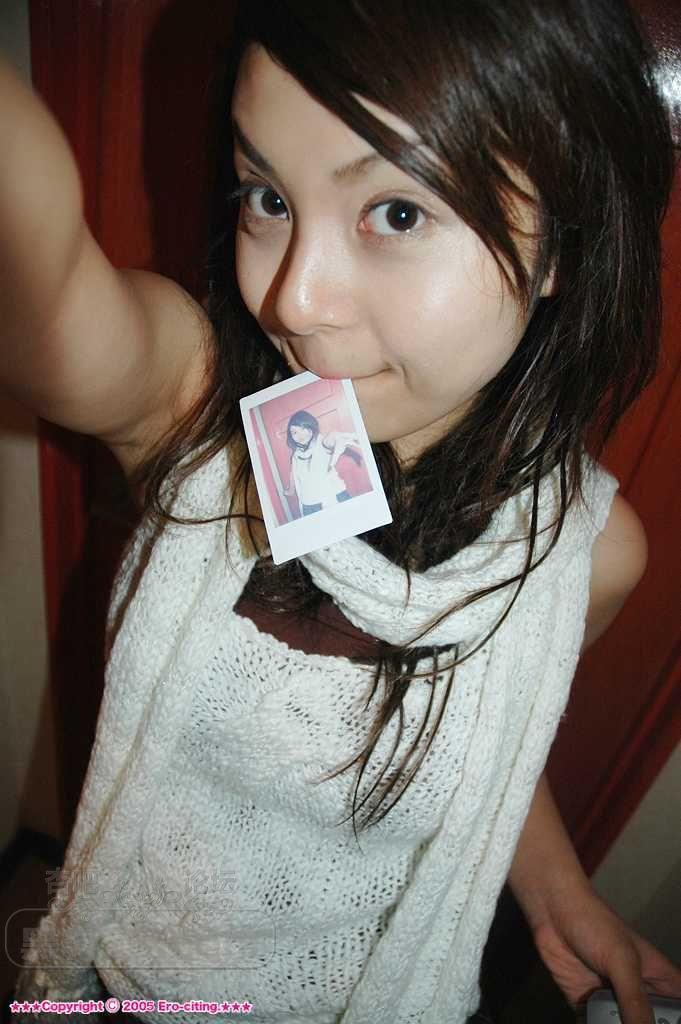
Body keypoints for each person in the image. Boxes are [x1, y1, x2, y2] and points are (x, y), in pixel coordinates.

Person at [2, 1, 681, 1022]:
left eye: (396, 213)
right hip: (123, 981)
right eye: (268, 197)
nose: (293, 301)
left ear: (563, 251)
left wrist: (555, 888)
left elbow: (496, 721)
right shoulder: (201, 416)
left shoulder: (577, 557)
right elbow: (45, 297)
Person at [283, 410, 358, 516]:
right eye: (295, 432)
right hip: (309, 506)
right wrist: (291, 489)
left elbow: (329, 440)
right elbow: (294, 473)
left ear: (311, 426)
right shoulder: (296, 454)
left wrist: (335, 437)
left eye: (304, 428)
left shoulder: (320, 443)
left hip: (333, 499)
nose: (300, 435)